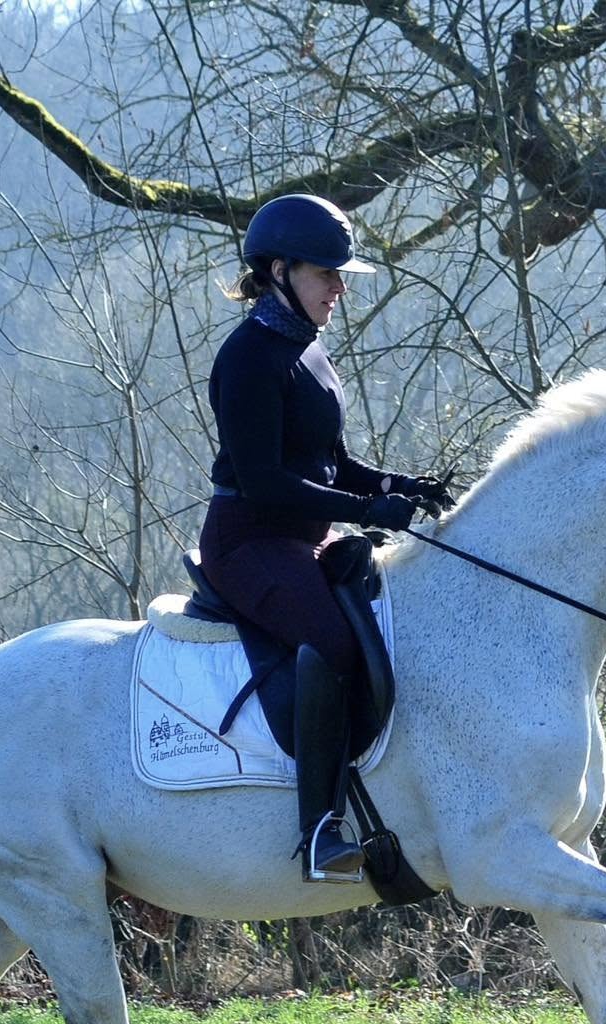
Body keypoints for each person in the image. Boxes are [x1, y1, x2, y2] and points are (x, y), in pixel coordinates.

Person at [200, 194, 450, 882]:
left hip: (303, 539)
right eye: (326, 274)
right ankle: (319, 831)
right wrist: (369, 509)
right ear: (279, 271)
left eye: (340, 275)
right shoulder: (248, 358)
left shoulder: (307, 348)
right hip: (248, 544)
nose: (339, 287)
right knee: (334, 643)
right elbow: (266, 483)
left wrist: (398, 484)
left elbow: (333, 462)